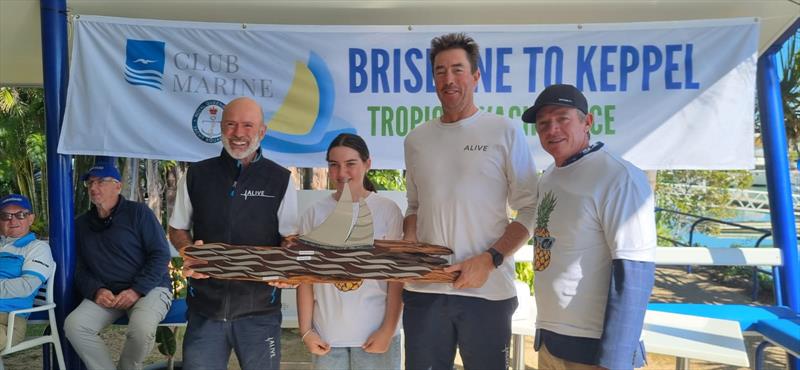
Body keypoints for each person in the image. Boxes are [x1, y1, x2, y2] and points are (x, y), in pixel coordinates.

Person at [402, 32, 539, 369]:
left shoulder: (503, 131)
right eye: (440, 71)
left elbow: (532, 207)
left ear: (476, 76)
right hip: (425, 290)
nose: (449, 79)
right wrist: (408, 241)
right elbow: (415, 207)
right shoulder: (416, 139)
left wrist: (490, 258)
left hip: (487, 292)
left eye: (458, 69)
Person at [521, 84, 656, 370]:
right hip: (551, 342)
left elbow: (635, 272)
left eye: (562, 118)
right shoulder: (548, 177)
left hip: (594, 350)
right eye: (543, 123)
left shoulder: (619, 176)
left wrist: (615, 359)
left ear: (587, 122)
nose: (552, 129)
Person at [168, 97, 298, 370]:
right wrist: (188, 252)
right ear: (221, 129)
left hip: (260, 313)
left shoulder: (281, 179)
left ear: (261, 131)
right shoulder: (196, 175)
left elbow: (291, 238)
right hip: (206, 311)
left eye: (248, 125)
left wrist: (286, 266)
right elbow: (177, 228)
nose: (238, 133)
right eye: (231, 125)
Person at [296, 133, 403, 370]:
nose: (341, 173)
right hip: (328, 339)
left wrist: (388, 329)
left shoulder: (388, 211)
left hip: (376, 338)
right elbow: (305, 278)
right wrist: (306, 331)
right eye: (334, 165)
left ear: (368, 164)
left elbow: (397, 280)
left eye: (350, 164)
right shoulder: (314, 214)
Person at [64, 160, 173, 370]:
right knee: (75, 326)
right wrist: (96, 290)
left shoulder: (139, 213)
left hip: (149, 289)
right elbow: (78, 268)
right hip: (108, 294)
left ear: (118, 186)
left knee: (141, 330)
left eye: (101, 182)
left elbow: (160, 255)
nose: (94, 188)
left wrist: (136, 290)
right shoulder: (80, 225)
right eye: (90, 183)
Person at [0, 194, 54, 350]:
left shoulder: (37, 248)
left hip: (8, 319)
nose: (13, 220)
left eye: (21, 214)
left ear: (31, 218)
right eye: (6, 215)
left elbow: (26, 286)